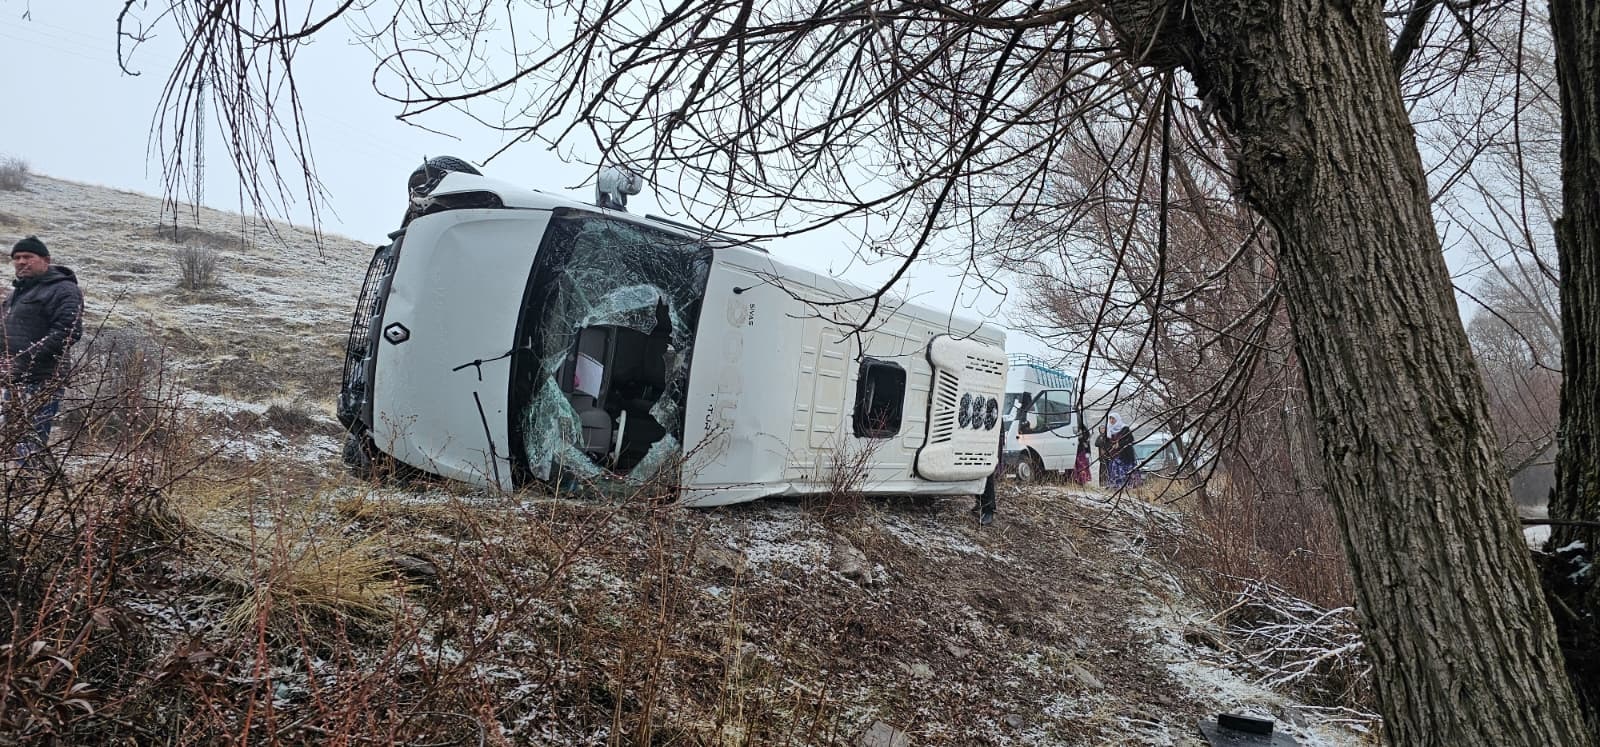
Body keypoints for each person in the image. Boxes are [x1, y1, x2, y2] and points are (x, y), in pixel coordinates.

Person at [2, 236, 84, 466]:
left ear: (46, 260)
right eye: (16, 258)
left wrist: (21, 359)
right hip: (14, 380)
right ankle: (19, 493)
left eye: (28, 257)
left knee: (30, 443)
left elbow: (67, 332)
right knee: (13, 440)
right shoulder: (16, 294)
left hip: (43, 378)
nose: (21, 262)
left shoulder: (64, 289)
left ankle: (28, 494)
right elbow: (5, 333)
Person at [1105, 412, 1138, 488]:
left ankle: (1127, 486)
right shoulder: (1109, 430)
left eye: (1113, 418)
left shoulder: (1124, 428)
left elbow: (1130, 439)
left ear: (1117, 419)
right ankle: (1116, 487)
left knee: (1125, 471)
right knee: (1114, 470)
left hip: (1125, 454)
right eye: (1110, 418)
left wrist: (1119, 444)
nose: (1111, 420)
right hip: (1114, 455)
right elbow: (1107, 442)